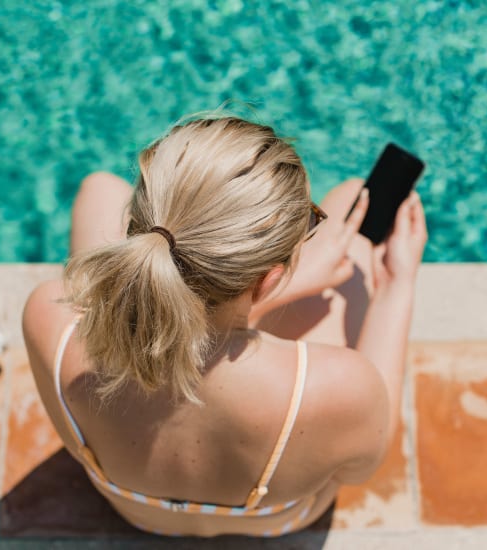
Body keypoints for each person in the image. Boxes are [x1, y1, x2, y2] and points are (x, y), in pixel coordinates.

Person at [23, 117, 427, 537]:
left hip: (137, 510)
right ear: (268, 277)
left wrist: (261, 297)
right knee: (349, 201)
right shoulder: (341, 387)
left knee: (100, 189)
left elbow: (182, 366)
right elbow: (361, 470)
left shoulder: (49, 318)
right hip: (276, 518)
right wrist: (398, 284)